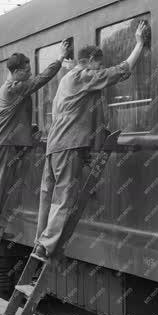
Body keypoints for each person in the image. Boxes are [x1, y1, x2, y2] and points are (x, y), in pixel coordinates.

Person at [34, 22, 149, 259]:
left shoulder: (66, 80)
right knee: (64, 197)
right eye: (99, 64)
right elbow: (121, 70)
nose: (100, 68)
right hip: (68, 145)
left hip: (55, 145)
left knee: (48, 196)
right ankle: (46, 246)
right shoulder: (83, 76)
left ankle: (39, 242)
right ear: (91, 61)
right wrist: (139, 43)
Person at [0, 40, 70, 239]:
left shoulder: (11, 87)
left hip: (8, 143)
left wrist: (29, 130)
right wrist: (60, 58)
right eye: (26, 70)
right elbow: (41, 80)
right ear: (17, 71)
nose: (29, 73)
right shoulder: (13, 88)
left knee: (3, 186)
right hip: (4, 144)